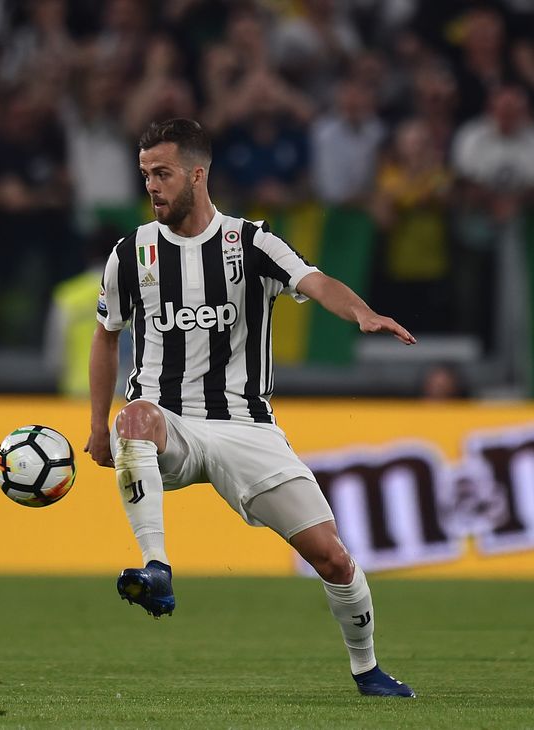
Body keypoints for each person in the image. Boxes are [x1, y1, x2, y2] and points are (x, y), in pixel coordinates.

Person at [85, 118, 416, 698]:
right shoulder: (131, 253)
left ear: (197, 173)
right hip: (170, 422)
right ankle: (156, 568)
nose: (152, 187)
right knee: (131, 417)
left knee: (333, 560)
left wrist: (360, 312)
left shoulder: (252, 242)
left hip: (246, 427)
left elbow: (314, 282)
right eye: (145, 175)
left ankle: (367, 670)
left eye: (162, 174)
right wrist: (94, 426)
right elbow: (106, 335)